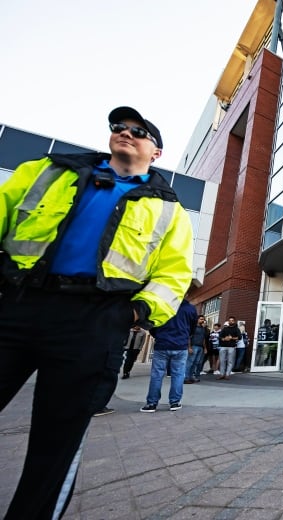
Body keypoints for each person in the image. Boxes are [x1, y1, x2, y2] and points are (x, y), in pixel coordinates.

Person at [0, 106, 193, 519]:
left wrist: (133, 315)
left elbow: (173, 274)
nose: (125, 133)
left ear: (155, 152)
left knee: (56, 442)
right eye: (119, 128)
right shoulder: (49, 171)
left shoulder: (168, 209)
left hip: (93, 321)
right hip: (18, 304)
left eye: (138, 131)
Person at [141, 299, 198, 412]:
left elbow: (153, 325)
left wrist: (159, 335)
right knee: (178, 374)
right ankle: (175, 402)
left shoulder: (161, 304)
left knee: (157, 375)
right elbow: (192, 328)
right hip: (180, 345)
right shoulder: (190, 309)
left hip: (162, 344)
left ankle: (151, 403)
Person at [185, 315, 209, 383]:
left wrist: (205, 348)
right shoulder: (193, 328)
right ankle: (186, 377)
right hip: (193, 346)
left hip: (200, 347)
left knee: (196, 363)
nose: (202, 320)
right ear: (197, 319)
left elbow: (203, 338)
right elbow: (189, 338)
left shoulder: (203, 328)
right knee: (190, 362)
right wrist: (189, 347)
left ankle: (191, 377)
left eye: (203, 319)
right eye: (201, 319)